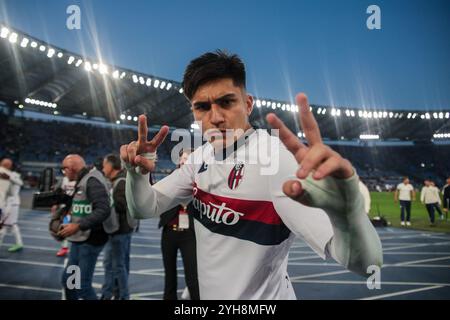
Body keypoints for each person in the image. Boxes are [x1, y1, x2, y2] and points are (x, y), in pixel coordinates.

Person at [120, 50, 382, 299]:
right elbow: (145, 207)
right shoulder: (200, 157)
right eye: (202, 107)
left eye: (226, 102)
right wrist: (136, 173)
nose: (216, 117)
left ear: (247, 104)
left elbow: (367, 265)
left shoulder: (277, 161)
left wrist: (348, 216)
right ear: (193, 112)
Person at [59, 154, 111, 300]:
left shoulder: (92, 180)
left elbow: (103, 210)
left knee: (81, 285)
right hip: (81, 239)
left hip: (90, 239)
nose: (64, 173)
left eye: (64, 170)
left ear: (72, 168)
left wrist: (78, 225)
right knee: (69, 281)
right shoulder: (85, 178)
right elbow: (83, 205)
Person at [158, 149, 199, 300]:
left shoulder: (199, 181)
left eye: (187, 159)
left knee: (192, 277)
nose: (183, 161)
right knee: (169, 276)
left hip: (189, 235)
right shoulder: (171, 179)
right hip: (169, 232)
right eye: (182, 159)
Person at [101, 154, 135, 300]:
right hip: (123, 230)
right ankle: (117, 293)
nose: (103, 168)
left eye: (104, 165)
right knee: (120, 264)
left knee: (114, 265)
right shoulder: (120, 180)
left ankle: (116, 295)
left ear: (110, 166)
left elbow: (122, 206)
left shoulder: (119, 182)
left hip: (118, 231)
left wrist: (108, 202)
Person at [0, 158, 24, 252]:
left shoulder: (12, 175)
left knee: (8, 224)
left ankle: (19, 243)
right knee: (7, 225)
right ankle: (19, 243)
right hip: (8, 203)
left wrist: (9, 177)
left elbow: (19, 184)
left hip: (12, 203)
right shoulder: (9, 174)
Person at [53, 173, 77, 257]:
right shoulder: (64, 179)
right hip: (66, 206)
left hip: (76, 206)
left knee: (77, 227)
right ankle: (64, 247)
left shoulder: (79, 179)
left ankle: (75, 247)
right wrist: (56, 204)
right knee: (64, 225)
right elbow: (59, 192)